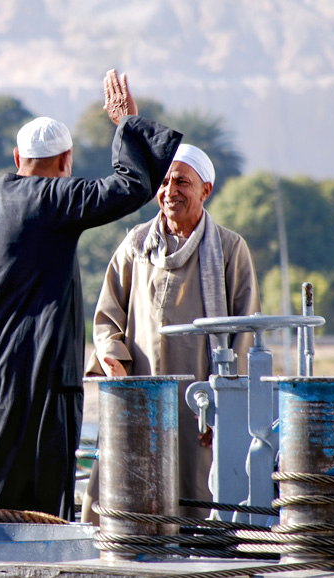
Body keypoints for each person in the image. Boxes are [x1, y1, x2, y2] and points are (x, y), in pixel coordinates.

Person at [0, 70, 183, 521]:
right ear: (66, 160)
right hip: (26, 370)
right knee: (28, 496)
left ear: (17, 156)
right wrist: (127, 124)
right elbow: (130, 187)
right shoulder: (54, 198)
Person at [82, 143, 261, 523]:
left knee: (197, 498)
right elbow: (107, 317)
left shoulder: (230, 248)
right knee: (127, 496)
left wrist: (226, 406)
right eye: (163, 182)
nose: (169, 191)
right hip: (140, 394)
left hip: (199, 402)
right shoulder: (135, 244)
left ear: (205, 190)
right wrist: (113, 360)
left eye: (181, 181)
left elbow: (245, 329)